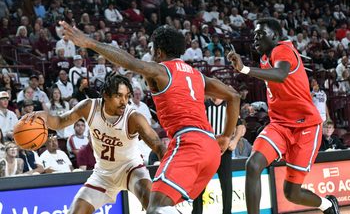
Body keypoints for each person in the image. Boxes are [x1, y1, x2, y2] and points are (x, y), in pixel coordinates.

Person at [59, 22, 240, 214]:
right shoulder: (197, 75)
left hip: (189, 144)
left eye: (152, 49)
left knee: (157, 209)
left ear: (159, 52)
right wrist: (226, 136)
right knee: (161, 207)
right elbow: (234, 96)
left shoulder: (161, 70)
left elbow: (129, 62)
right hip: (210, 149)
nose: (150, 53)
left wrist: (90, 43)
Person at [228, 17, 339, 214]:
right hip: (279, 124)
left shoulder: (283, 49)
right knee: (253, 165)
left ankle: (327, 205)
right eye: (254, 34)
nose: (255, 38)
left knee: (291, 193)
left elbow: (280, 74)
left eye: (260, 35)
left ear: (275, 36)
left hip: (305, 126)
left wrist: (244, 69)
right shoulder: (264, 58)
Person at [25, 73, 166, 213]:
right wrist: (43, 116)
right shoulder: (89, 107)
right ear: (105, 95)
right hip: (103, 174)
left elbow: (159, 147)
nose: (124, 101)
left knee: (153, 206)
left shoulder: (134, 118)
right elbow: (60, 121)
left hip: (131, 168)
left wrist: (167, 177)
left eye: (127, 96)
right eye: (118, 96)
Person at [192, 97, 242, 214]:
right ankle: (196, 212)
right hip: (205, 150)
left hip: (224, 151)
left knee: (226, 186)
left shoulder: (229, 106)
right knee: (199, 186)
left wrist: (234, 141)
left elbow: (240, 126)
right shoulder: (203, 105)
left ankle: (227, 212)